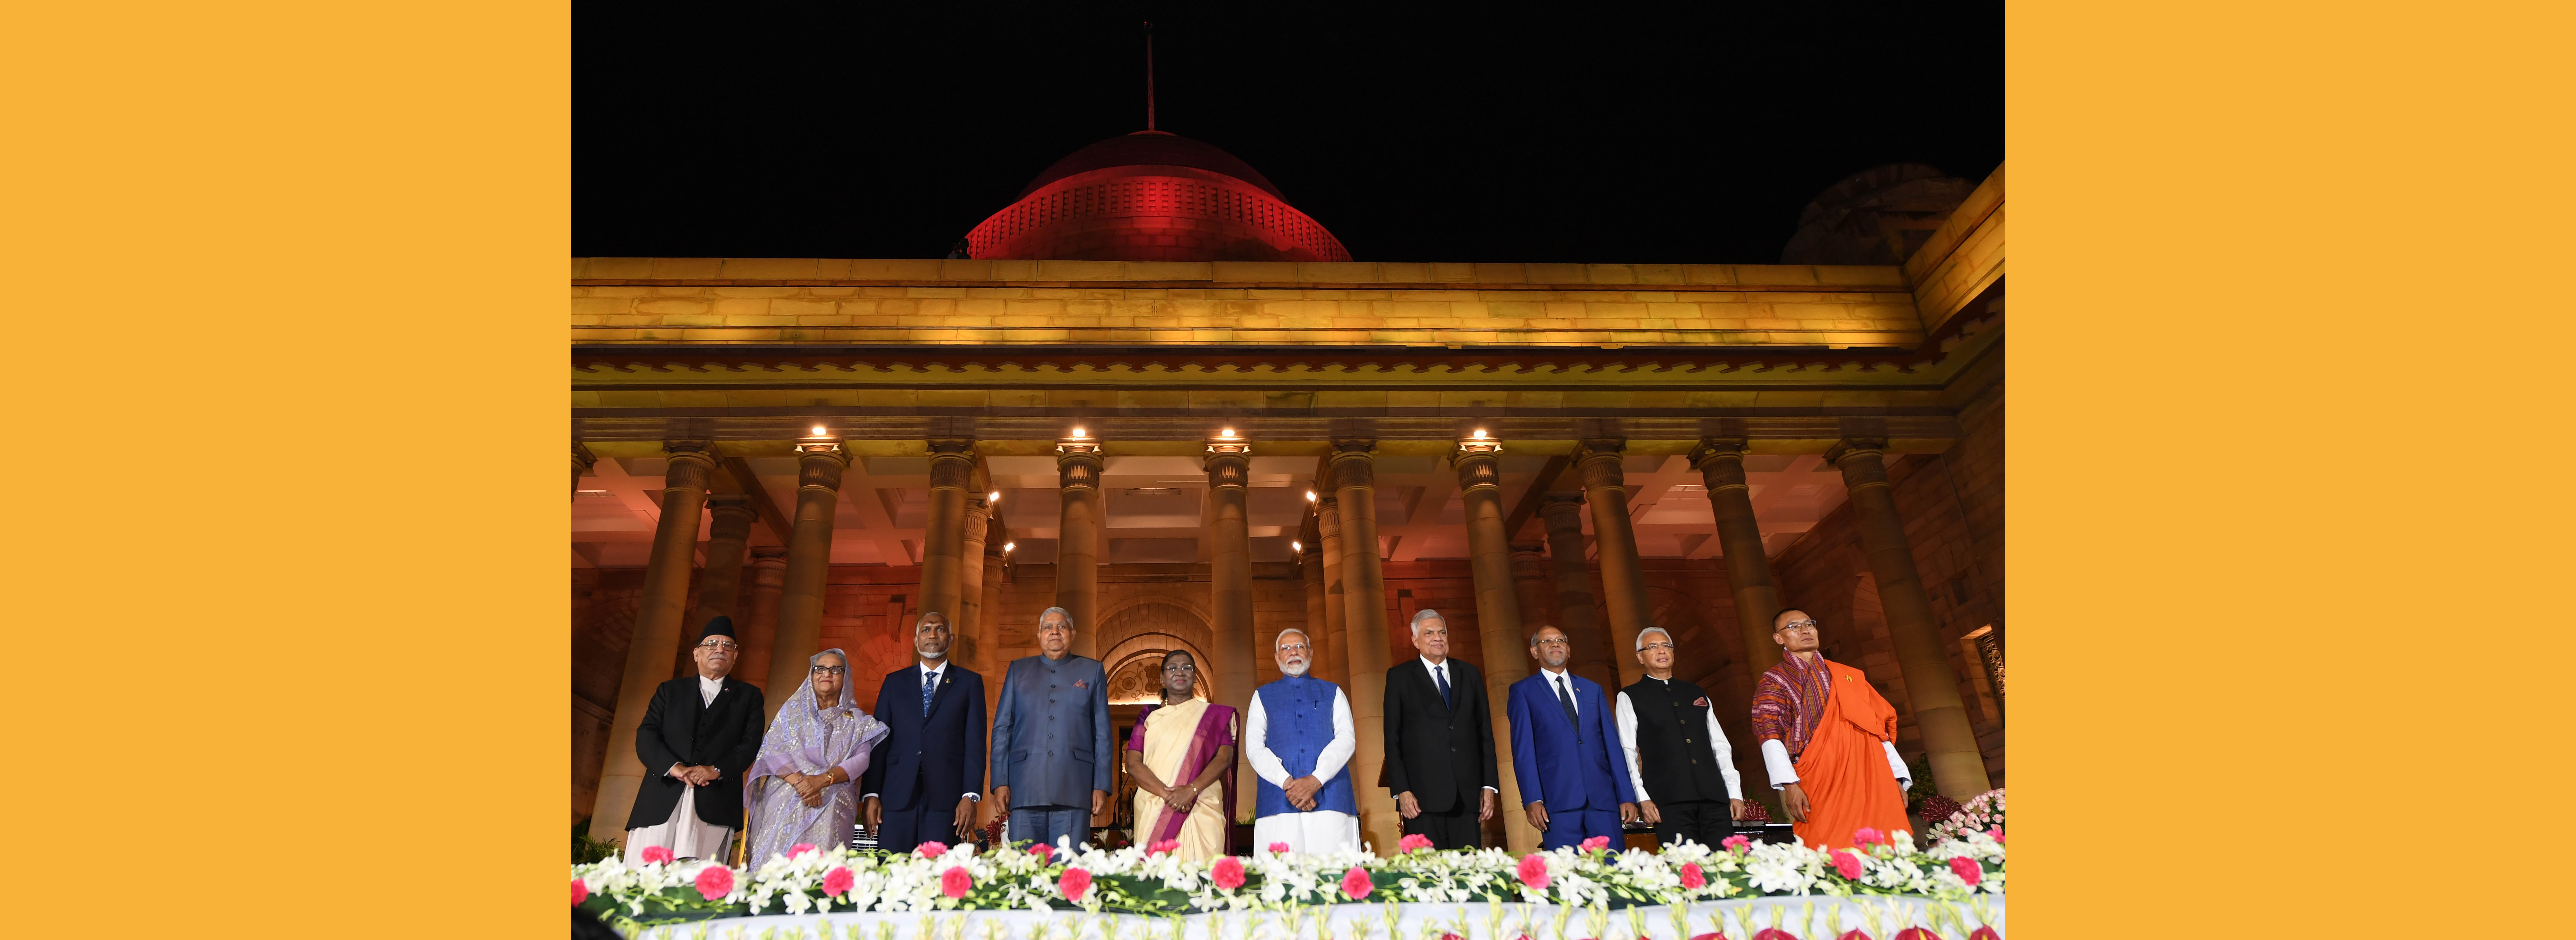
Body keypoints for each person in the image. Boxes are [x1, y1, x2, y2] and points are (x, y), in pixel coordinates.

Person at [1750, 609, 1914, 851]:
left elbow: (1876, 727)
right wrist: (1789, 786)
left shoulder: (1849, 676)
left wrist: (1897, 777)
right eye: (1794, 627)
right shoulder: (1775, 680)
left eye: (1810, 624)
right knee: (1830, 850)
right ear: (1779, 638)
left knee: (1887, 845)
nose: (1805, 630)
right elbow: (1770, 733)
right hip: (1820, 780)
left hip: (1871, 775)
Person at [623, 616, 766, 864]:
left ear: (735, 656)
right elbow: (647, 735)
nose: (720, 649)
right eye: (712, 644)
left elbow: (750, 744)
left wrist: (715, 770)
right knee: (643, 876)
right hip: (661, 797)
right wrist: (674, 768)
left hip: (715, 799)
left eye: (728, 646)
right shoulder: (670, 691)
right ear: (697, 654)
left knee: (699, 883)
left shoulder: (749, 697)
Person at [742, 649, 890, 864]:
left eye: (835, 670)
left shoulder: (859, 722)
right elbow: (772, 752)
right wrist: (803, 784)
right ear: (812, 676)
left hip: (832, 805)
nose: (826, 674)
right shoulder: (791, 714)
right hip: (786, 802)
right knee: (775, 869)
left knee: (821, 873)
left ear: (845, 677)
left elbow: (861, 760)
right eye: (820, 669)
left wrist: (821, 781)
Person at [861, 611, 987, 852]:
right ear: (916, 640)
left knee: (938, 878)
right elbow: (878, 742)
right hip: (896, 796)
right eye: (926, 630)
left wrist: (970, 796)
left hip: (947, 799)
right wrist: (871, 793)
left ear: (951, 638)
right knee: (892, 873)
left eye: (939, 629)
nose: (932, 635)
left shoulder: (969, 683)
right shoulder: (894, 682)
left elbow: (975, 743)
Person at [989, 606, 1112, 850]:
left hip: (1075, 787)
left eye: (1062, 627)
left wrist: (1102, 785)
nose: (1055, 632)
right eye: (1048, 627)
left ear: (1073, 634)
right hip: (1025, 786)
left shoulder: (1092, 671)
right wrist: (1000, 781)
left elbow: (1103, 733)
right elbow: (1003, 728)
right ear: (1039, 635)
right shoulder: (1018, 670)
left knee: (1069, 873)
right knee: (1026, 873)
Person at [1507, 624, 1638, 850]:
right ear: (1535, 652)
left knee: (1613, 871)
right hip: (1556, 802)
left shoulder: (1592, 690)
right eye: (1547, 641)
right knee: (1568, 877)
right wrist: (1532, 799)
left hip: (1603, 799)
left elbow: (1612, 746)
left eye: (1560, 640)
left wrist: (1627, 795)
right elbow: (1523, 751)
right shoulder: (1523, 692)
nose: (1555, 644)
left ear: (1569, 650)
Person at [1614, 626, 1745, 848]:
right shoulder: (1630, 696)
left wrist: (1735, 792)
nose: (1661, 651)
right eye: (1653, 647)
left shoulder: (1696, 693)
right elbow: (1627, 751)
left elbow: (1720, 746)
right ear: (1640, 657)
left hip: (1714, 798)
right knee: (1686, 873)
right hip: (1667, 801)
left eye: (1666, 646)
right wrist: (1642, 797)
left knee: (1727, 869)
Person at [1381, 608, 1499, 849]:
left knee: (1469, 875)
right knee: (1429, 877)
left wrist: (1488, 785)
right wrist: (1402, 790)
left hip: (1468, 797)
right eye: (1430, 633)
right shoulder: (1399, 678)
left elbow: (1485, 733)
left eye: (1442, 632)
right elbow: (1392, 740)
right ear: (1415, 641)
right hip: (1421, 800)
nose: (1438, 637)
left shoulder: (1470, 674)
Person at [1245, 628, 1360, 853]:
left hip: (1331, 799)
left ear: (1311, 653)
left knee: (1333, 877)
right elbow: (1255, 748)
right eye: (1286, 649)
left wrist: (1316, 780)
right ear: (1277, 658)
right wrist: (1288, 784)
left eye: (1300, 647)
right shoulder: (1262, 696)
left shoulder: (1333, 691)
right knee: (1282, 879)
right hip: (1279, 800)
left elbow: (1347, 739)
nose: (1294, 652)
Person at [1121, 649, 1238, 859]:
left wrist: (1191, 790)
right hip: (1155, 805)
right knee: (1157, 880)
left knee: (1203, 877)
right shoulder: (1149, 716)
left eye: (1187, 668)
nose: (1180, 672)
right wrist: (1168, 795)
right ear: (1162, 679)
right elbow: (1133, 763)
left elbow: (1224, 759)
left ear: (1194, 677)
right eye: (1173, 668)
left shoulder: (1215, 716)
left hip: (1201, 803)